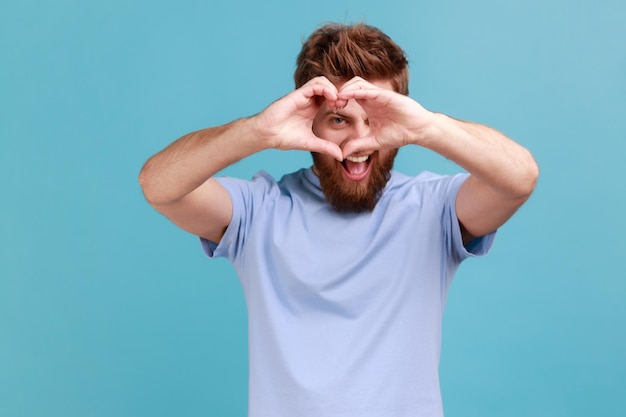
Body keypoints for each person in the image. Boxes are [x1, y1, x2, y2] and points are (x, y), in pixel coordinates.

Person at [139, 22, 538, 417]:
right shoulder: (258, 210)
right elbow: (159, 185)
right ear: (310, 121)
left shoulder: (433, 208)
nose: (359, 143)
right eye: (339, 120)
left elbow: (519, 179)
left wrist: (428, 127)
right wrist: (257, 131)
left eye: (377, 119)